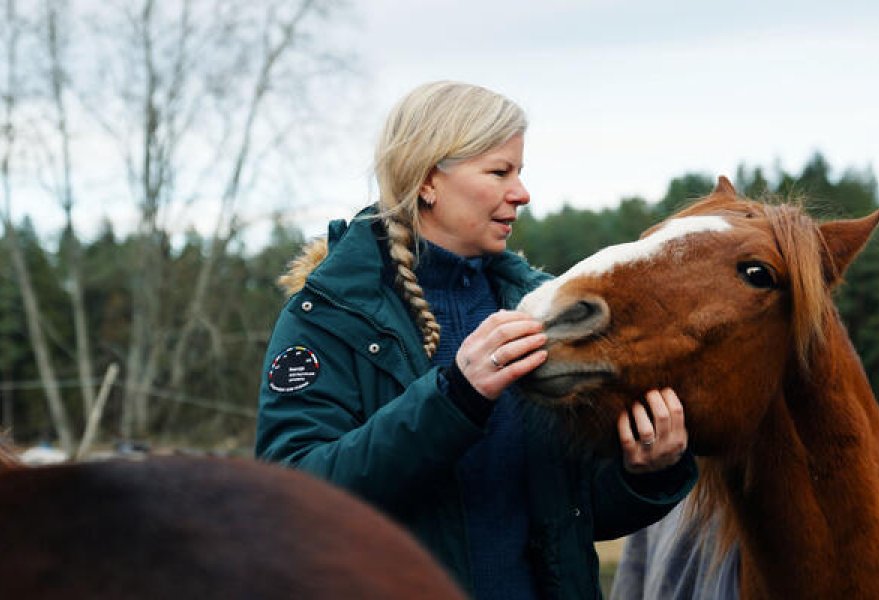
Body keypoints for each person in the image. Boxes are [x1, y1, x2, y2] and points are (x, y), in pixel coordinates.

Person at [255, 80, 697, 599]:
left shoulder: (538, 312)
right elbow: (297, 500)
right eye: (499, 172)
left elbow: (574, 515)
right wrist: (454, 397)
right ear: (427, 181)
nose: (522, 193)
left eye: (520, 172)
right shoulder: (329, 317)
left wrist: (645, 472)